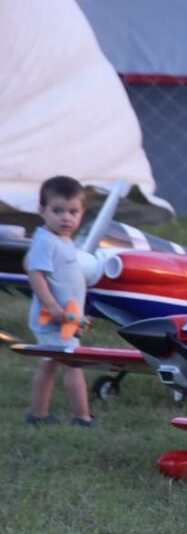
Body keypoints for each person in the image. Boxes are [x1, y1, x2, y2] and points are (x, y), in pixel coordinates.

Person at [25, 175, 94, 427]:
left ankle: (38, 414)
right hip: (53, 319)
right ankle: (82, 417)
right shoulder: (45, 241)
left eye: (73, 212)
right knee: (72, 364)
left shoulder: (64, 240)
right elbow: (36, 274)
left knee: (48, 365)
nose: (66, 218)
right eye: (57, 211)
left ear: (82, 212)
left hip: (67, 319)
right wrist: (52, 306)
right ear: (42, 210)